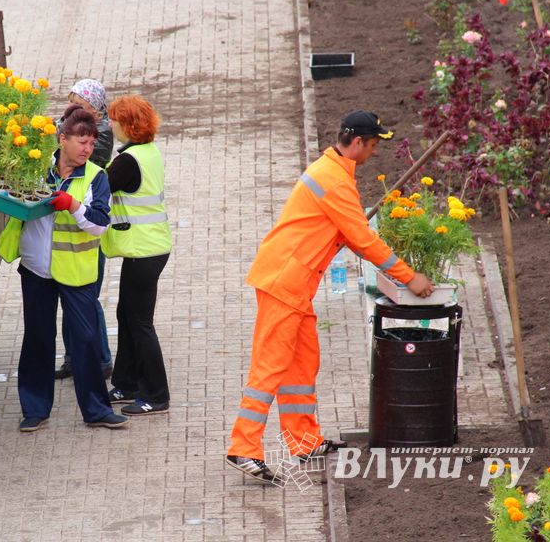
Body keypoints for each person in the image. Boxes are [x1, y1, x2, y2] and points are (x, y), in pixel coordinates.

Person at [225, 110, 435, 482]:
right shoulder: (334, 180)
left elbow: (346, 232)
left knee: (301, 365)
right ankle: (244, 447)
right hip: (284, 283)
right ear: (356, 143)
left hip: (293, 283)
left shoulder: (332, 172)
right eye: (372, 146)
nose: (372, 154)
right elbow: (363, 240)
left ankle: (304, 441)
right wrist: (409, 276)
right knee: (270, 366)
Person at [0, 105, 127, 431]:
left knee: (84, 340)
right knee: (38, 338)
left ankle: (97, 410)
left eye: (91, 143)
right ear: (62, 139)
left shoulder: (97, 177)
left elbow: (99, 224)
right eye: (81, 142)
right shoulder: (36, 167)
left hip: (76, 272)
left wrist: (73, 206)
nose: (87, 149)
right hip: (36, 270)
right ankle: (35, 409)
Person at [102, 95, 173, 416]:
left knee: (140, 322)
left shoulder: (128, 161)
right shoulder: (147, 152)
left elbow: (98, 187)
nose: (110, 124)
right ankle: (126, 383)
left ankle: (156, 395)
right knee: (126, 315)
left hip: (144, 251)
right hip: (150, 249)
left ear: (127, 124)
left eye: (114, 119)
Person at [55, 79, 114, 380]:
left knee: (87, 301)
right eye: (72, 101)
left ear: (94, 107)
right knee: (73, 304)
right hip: (65, 251)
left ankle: (101, 360)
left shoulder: (99, 137)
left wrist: (64, 129)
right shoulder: (78, 129)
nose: (74, 106)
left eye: (80, 102)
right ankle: (72, 358)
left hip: (86, 244)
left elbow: (87, 156)